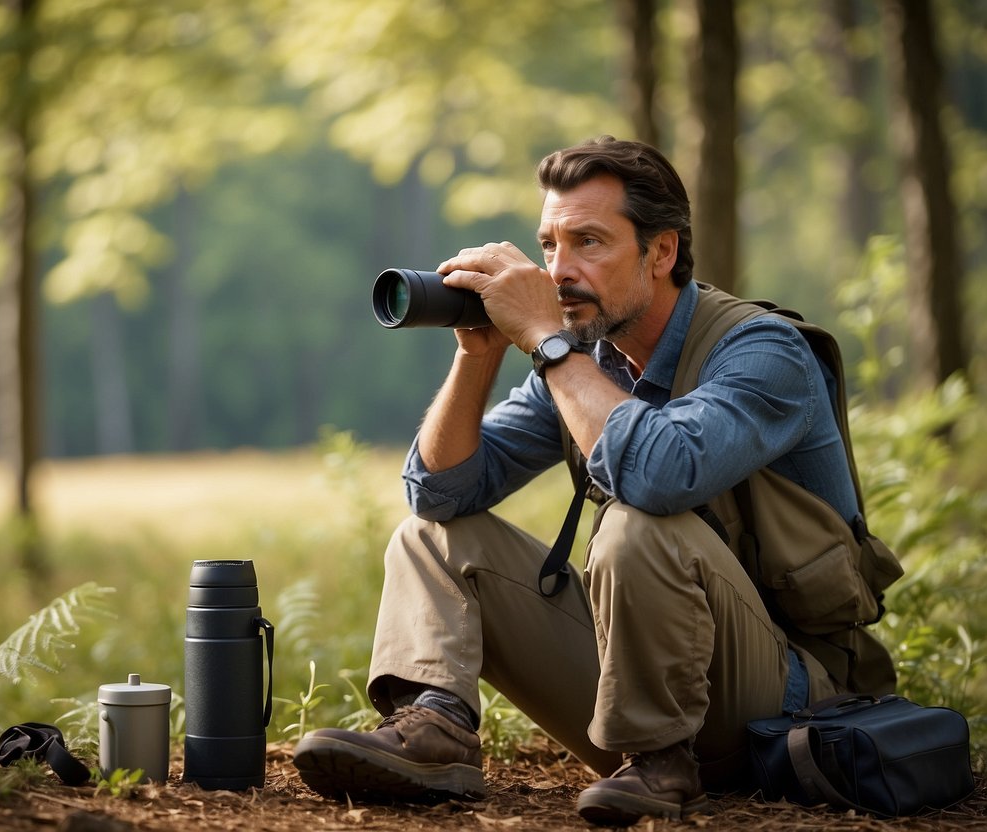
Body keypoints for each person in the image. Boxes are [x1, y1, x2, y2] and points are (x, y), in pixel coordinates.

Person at [292, 136, 900, 826]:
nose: (558, 272)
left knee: (640, 521)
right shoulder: (583, 360)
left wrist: (548, 344)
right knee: (431, 536)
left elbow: (661, 475)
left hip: (786, 702)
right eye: (548, 245)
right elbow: (438, 494)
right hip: (644, 698)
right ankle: (436, 730)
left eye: (588, 242)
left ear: (661, 251)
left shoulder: (764, 353)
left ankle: (663, 760)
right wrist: (478, 356)